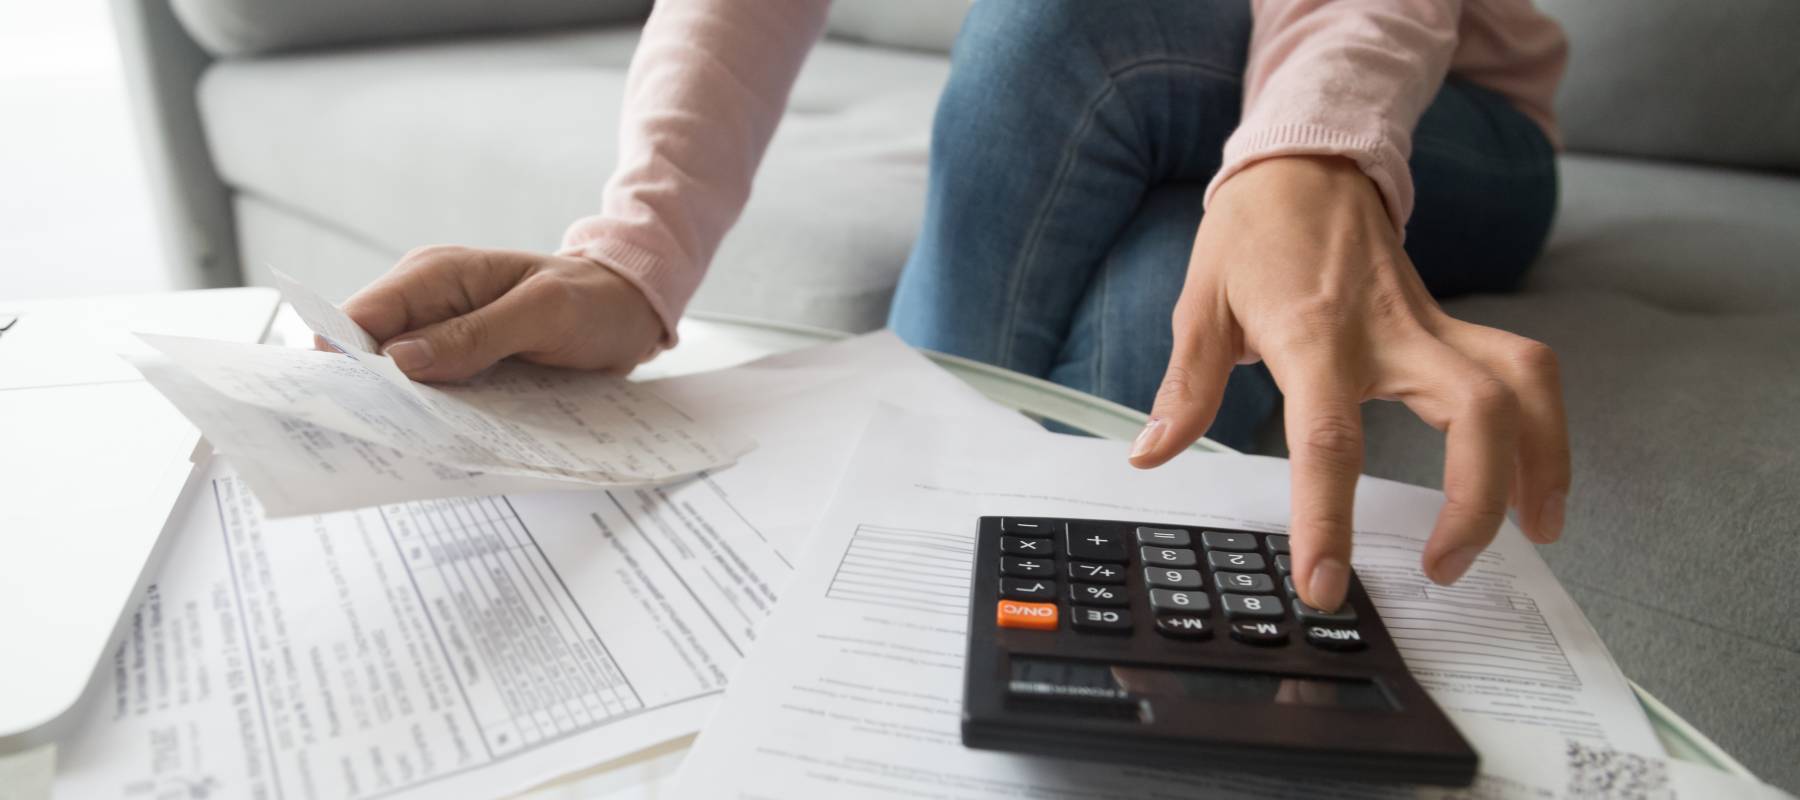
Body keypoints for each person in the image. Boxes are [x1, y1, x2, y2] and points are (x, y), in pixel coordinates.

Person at [334, 0, 1571, 613]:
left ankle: (876, 599)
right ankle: (967, 653)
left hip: (1443, 111)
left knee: (1057, 19)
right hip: (1164, 118)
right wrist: (630, 261)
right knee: (1158, 302)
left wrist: (1309, 160)